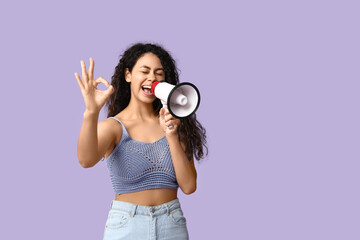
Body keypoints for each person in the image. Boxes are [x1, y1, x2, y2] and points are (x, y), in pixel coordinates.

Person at [75, 43, 207, 240]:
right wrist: (91, 112)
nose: (152, 78)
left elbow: (188, 186)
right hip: (127, 225)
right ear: (128, 75)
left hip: (172, 224)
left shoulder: (175, 124)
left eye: (158, 73)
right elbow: (85, 160)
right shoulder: (114, 127)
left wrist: (171, 134)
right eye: (144, 71)